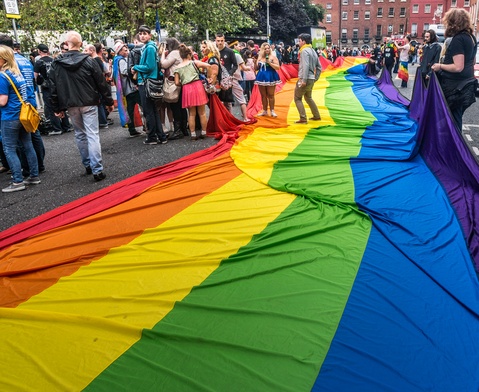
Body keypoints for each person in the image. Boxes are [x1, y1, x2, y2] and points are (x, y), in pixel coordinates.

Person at [50, 31, 113, 181]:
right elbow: (101, 83)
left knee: (80, 134)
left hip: (71, 103)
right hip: (89, 101)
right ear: (80, 44)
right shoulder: (89, 61)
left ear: (67, 43)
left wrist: (57, 108)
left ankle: (88, 165)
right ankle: (97, 169)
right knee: (92, 134)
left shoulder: (57, 63)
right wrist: (108, 101)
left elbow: (53, 87)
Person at [0, 45, 40, 192]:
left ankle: (17, 181)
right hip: (22, 115)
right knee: (27, 145)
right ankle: (34, 176)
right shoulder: (16, 73)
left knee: (9, 148)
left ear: (3, 59)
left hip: (9, 116)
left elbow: (3, 101)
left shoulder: (2, 76)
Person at [431, 8, 477, 132]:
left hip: (456, 88)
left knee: (453, 122)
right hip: (467, 84)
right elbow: (471, 62)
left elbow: (458, 67)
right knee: (455, 119)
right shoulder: (471, 37)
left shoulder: (458, 39)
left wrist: (439, 66)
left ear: (452, 22)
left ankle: (455, 148)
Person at [131, 25, 167, 145]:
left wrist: (135, 67)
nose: (142, 36)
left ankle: (152, 137)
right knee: (152, 110)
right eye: (140, 33)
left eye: (145, 33)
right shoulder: (149, 47)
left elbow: (149, 67)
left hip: (147, 82)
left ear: (149, 35)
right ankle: (160, 136)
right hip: (148, 81)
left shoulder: (150, 48)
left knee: (149, 111)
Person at [34, 43, 73, 135]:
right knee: (60, 104)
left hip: (46, 87)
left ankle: (57, 128)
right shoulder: (54, 60)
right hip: (57, 85)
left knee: (51, 107)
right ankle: (66, 126)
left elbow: (35, 76)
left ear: (39, 51)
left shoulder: (39, 62)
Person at [174, 44, 211, 140]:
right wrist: (209, 78)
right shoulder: (194, 63)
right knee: (202, 113)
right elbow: (209, 66)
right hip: (197, 86)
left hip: (187, 88)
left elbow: (177, 82)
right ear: (189, 54)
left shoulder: (177, 67)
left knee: (191, 113)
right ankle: (204, 132)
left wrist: (183, 83)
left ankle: (193, 134)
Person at [112, 41, 144, 138]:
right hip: (131, 88)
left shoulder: (116, 60)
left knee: (130, 109)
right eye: (125, 50)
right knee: (144, 105)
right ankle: (146, 126)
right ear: (119, 51)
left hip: (126, 89)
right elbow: (125, 71)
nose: (127, 51)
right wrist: (133, 69)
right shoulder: (121, 60)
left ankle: (132, 129)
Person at [161, 37, 187, 140]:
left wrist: (163, 53)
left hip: (174, 82)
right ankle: (184, 129)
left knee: (175, 106)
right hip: (182, 81)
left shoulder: (174, 53)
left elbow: (164, 64)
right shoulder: (181, 52)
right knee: (182, 107)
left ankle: (178, 130)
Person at [294, 33, 321, 124]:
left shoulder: (304, 51)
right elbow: (319, 67)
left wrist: (304, 80)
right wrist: (315, 78)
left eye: (299, 41)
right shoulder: (313, 51)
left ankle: (303, 118)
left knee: (297, 98)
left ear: (304, 41)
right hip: (311, 78)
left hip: (304, 78)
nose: (298, 42)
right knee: (308, 97)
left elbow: (305, 66)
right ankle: (316, 115)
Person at [254, 42, 281, 118]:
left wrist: (270, 63)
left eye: (268, 48)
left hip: (271, 76)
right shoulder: (259, 57)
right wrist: (254, 62)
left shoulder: (273, 57)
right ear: (262, 49)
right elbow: (256, 68)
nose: (267, 50)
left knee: (271, 95)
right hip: (261, 77)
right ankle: (265, 110)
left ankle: (272, 110)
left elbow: (278, 67)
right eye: (265, 48)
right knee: (263, 95)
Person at [215, 33, 237, 110]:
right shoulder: (214, 52)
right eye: (218, 41)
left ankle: (229, 118)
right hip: (216, 79)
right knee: (217, 100)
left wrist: (229, 74)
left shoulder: (230, 51)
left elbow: (235, 65)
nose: (220, 42)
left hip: (226, 79)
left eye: (221, 40)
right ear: (216, 41)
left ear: (224, 40)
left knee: (227, 101)